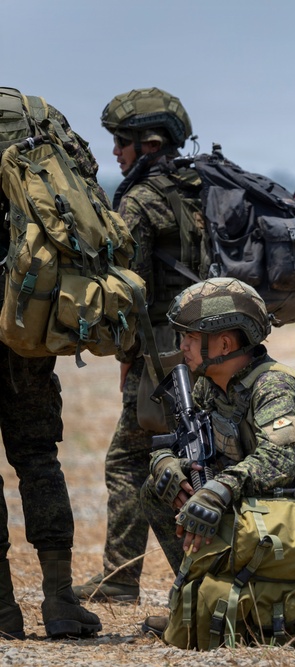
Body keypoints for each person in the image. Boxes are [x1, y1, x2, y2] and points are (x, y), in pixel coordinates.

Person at [137, 277, 295, 635]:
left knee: (210, 502)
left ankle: (266, 605)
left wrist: (219, 490)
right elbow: (175, 446)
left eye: (190, 336)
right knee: (158, 489)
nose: (182, 345)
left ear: (224, 343)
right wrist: (166, 464)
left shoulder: (273, 385)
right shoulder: (210, 384)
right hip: (259, 503)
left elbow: (278, 461)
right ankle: (199, 598)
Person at [74, 88, 198, 603]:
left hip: (163, 353)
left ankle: (128, 578)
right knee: (196, 457)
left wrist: (129, 357)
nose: (115, 153)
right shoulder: (204, 185)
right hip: (216, 346)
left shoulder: (140, 200)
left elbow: (132, 290)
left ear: (149, 144)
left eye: (122, 143)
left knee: (131, 461)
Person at [0, 88, 102, 639]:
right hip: (26, 314)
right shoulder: (35, 115)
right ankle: (60, 600)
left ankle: (3, 612)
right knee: (39, 458)